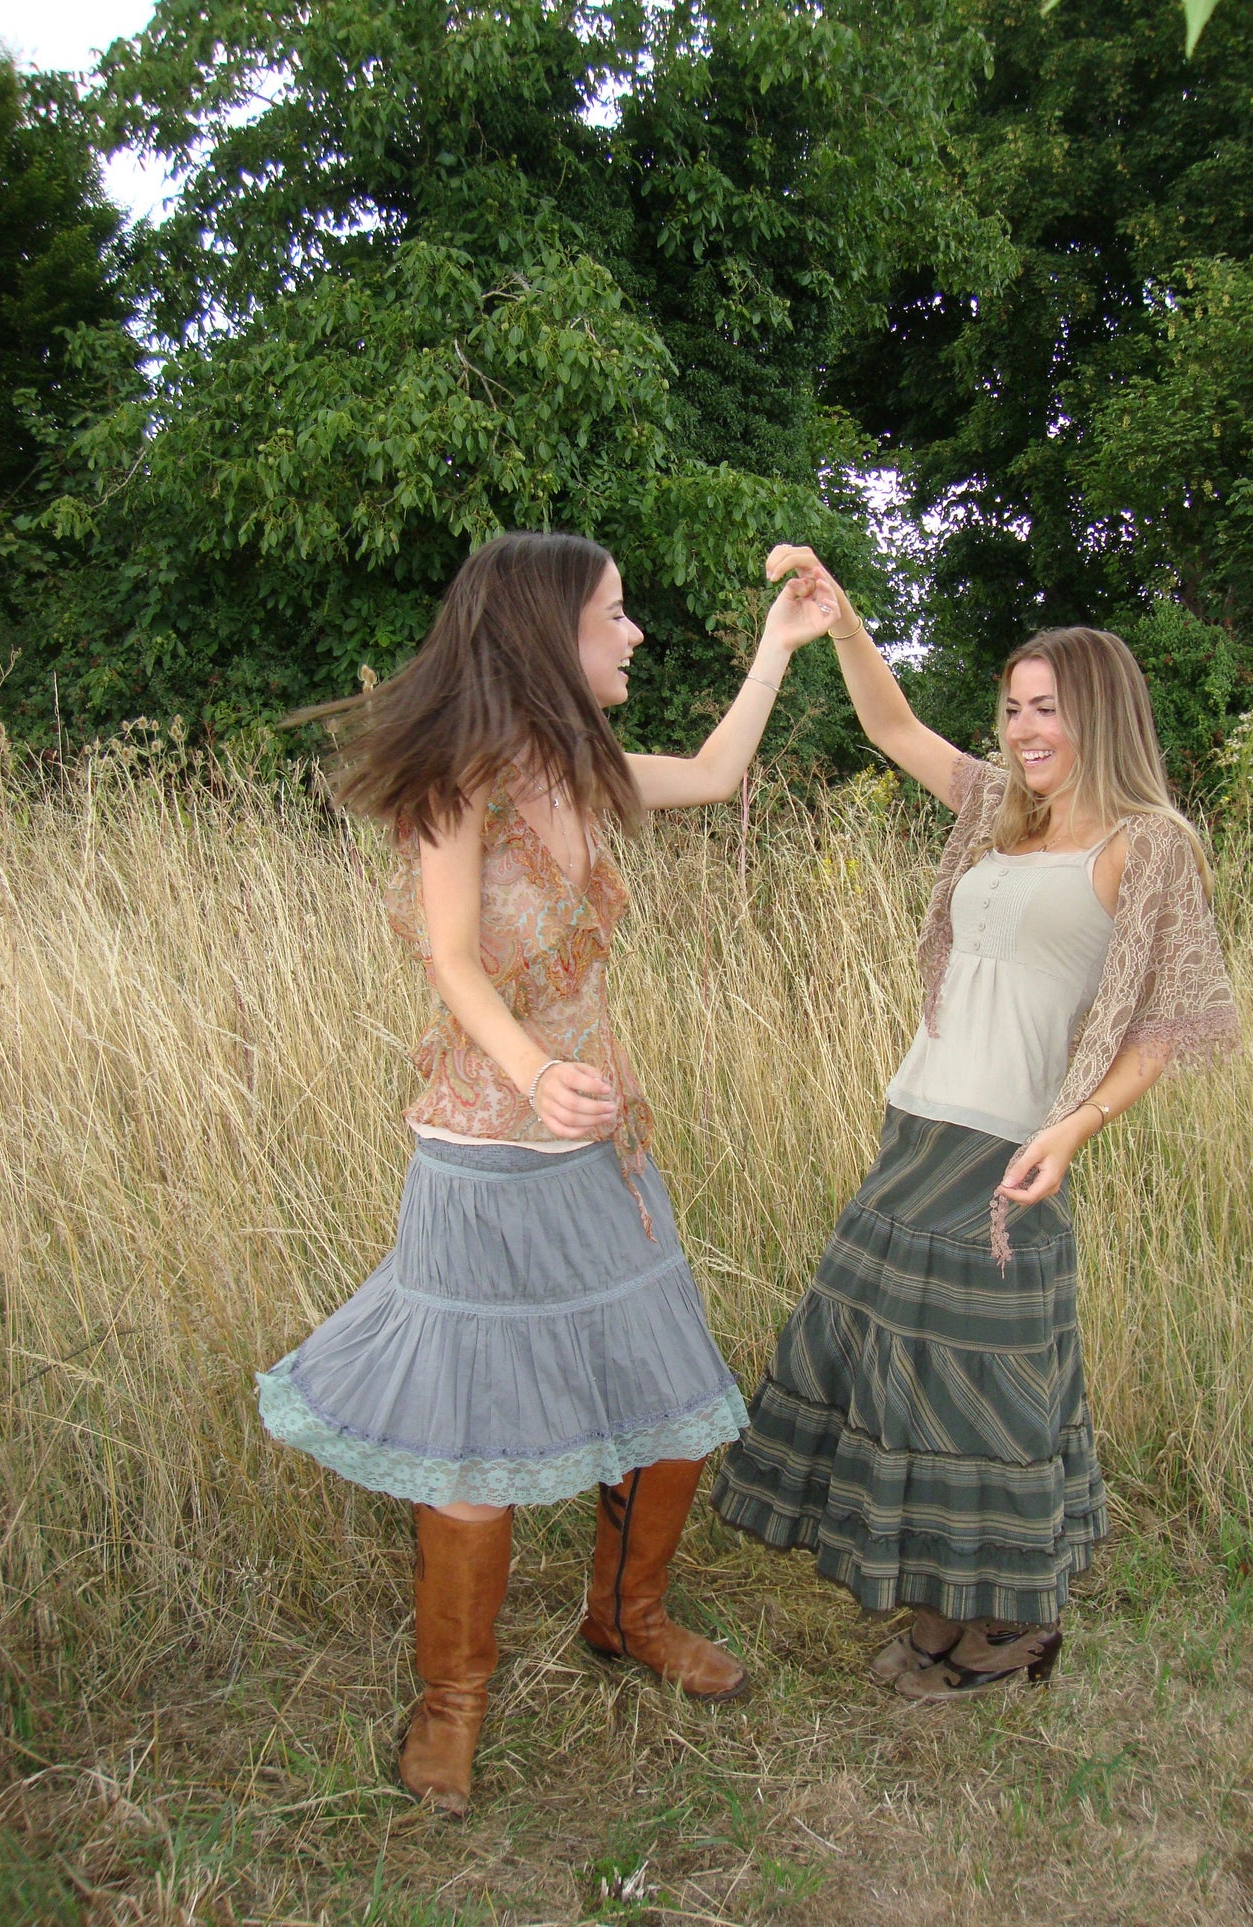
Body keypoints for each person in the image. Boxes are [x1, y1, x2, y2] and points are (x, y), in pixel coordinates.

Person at [257, 531, 835, 1811]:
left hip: (602, 1153)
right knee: (471, 1442)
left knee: (670, 1390)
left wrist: (779, 649)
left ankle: (626, 1620)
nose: (631, 635)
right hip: (482, 1159)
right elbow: (451, 959)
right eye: (613, 614)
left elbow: (724, 767)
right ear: (542, 633)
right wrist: (533, 1073)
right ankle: (450, 1699)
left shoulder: (588, 770)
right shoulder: (461, 778)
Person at [711, 545, 1240, 1698]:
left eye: (1044, 707)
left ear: (1098, 712)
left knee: (985, 1389)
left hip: (1010, 1150)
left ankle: (1011, 1629)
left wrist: (1075, 1126)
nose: (1020, 728)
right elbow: (895, 731)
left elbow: (1164, 1022)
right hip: (917, 1124)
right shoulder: (999, 813)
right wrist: (839, 620)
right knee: (902, 1373)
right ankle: (949, 1610)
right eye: (1009, 708)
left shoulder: (1145, 847)